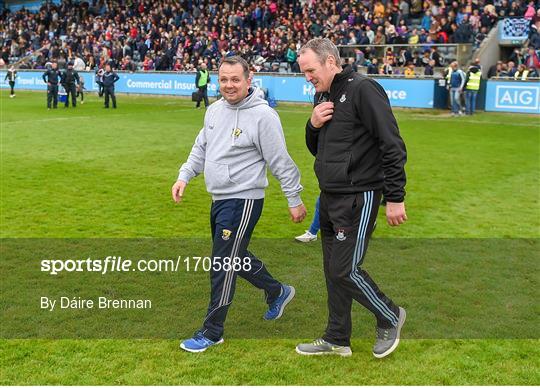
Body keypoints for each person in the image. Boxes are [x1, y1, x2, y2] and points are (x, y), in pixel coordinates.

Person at [171, 56, 307, 353]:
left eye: (235, 79)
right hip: (219, 197)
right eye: (223, 80)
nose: (229, 86)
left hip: (244, 199)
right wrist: (185, 175)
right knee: (234, 255)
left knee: (222, 263)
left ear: (249, 79)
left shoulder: (264, 116)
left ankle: (211, 331)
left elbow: (280, 161)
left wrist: (293, 198)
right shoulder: (214, 110)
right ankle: (277, 291)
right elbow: (201, 147)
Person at [296, 38, 407, 358]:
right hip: (330, 196)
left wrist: (395, 197)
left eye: (311, 70)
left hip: (361, 195)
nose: (307, 77)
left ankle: (389, 315)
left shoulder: (363, 89)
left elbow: (392, 144)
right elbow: (320, 149)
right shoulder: (322, 95)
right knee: (333, 271)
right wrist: (312, 125)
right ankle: (336, 337)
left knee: (345, 269)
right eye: (303, 72)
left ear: (331, 61)